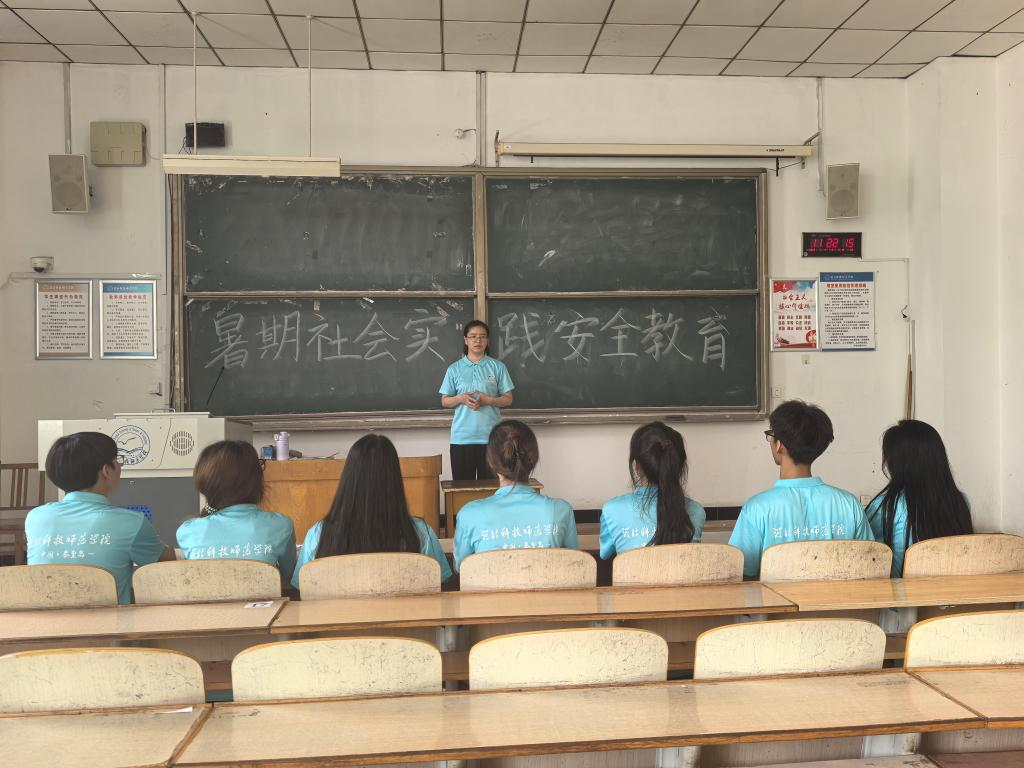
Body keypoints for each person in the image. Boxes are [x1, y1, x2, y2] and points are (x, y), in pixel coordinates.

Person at [728, 400, 873, 578]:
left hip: (776, 597)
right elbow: (869, 564)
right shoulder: (849, 504)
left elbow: (738, 574)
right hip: (838, 597)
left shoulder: (757, 508)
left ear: (779, 444)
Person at [25, 432, 173, 604]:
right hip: (111, 621)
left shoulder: (35, 518)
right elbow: (165, 562)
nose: (120, 466)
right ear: (106, 471)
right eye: (117, 460)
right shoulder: (131, 522)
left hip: (45, 619)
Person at [292, 434, 451, 590]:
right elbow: (440, 584)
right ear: (395, 479)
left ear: (348, 477)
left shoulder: (318, 534)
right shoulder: (420, 533)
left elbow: (302, 588)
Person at [453, 420, 578, 569]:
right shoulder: (561, 510)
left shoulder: (469, 514)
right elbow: (574, 565)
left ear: (491, 462)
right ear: (533, 460)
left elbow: (460, 568)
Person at [866, 419, 972, 577]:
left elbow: (866, 558)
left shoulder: (885, 507)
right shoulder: (959, 501)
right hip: (955, 591)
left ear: (895, 462)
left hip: (902, 592)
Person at [176, 440, 296, 580]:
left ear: (205, 483)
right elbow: (289, 575)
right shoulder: (281, 526)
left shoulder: (187, 531)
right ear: (255, 479)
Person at [600, 422, 706, 560]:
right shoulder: (697, 512)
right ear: (679, 466)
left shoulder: (611, 510)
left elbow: (605, 554)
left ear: (637, 465)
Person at [439, 320, 514, 481]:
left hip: (492, 438)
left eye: (482, 336)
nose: (477, 340)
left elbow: (508, 399)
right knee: (462, 488)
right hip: (461, 438)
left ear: (487, 340)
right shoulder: (454, 369)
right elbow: (444, 401)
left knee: (490, 489)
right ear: (466, 340)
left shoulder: (498, 367)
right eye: (473, 336)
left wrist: (489, 400)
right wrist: (460, 398)